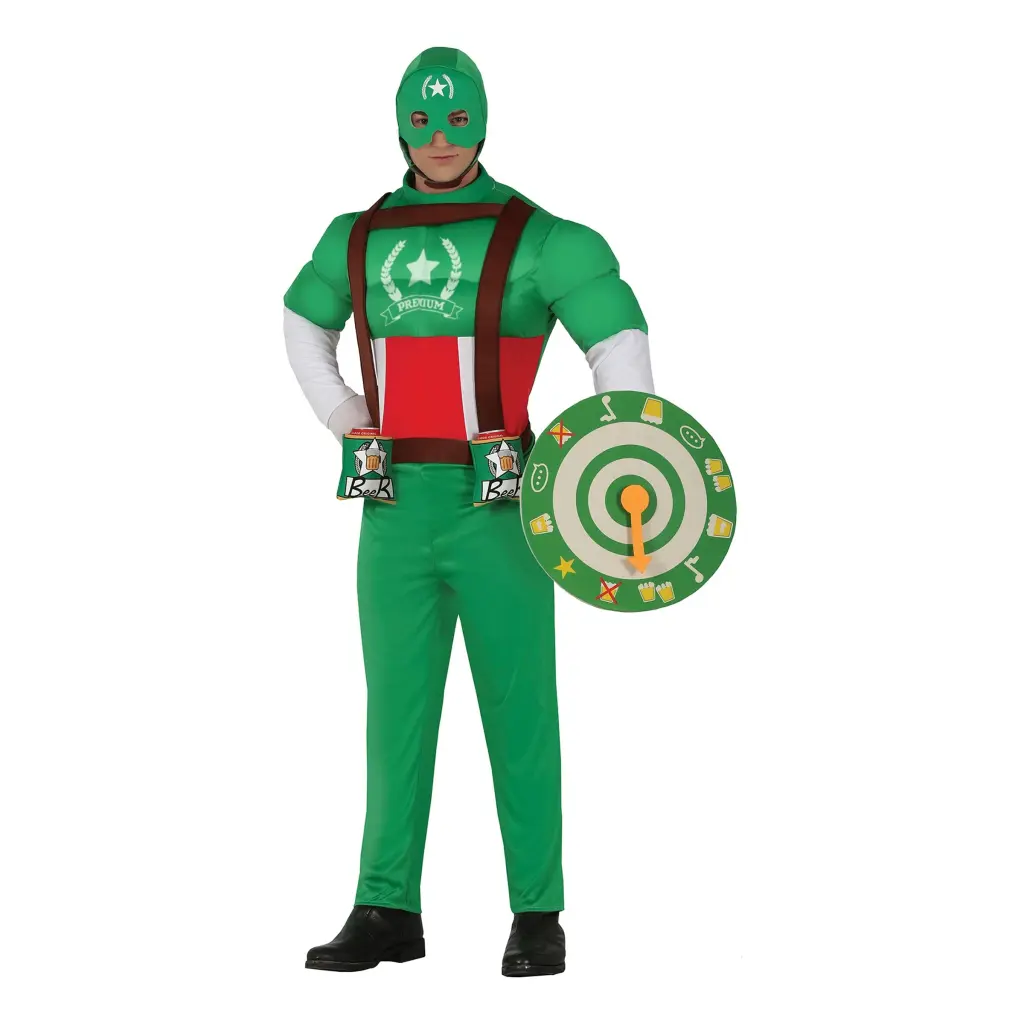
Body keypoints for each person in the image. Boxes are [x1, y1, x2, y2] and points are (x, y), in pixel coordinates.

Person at [282, 46, 655, 977]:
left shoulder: (540, 238)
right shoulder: (356, 237)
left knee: (521, 708)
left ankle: (538, 913)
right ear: (398, 125)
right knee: (394, 715)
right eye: (423, 119)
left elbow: (616, 334)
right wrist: (342, 414)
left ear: (484, 122)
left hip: (505, 509)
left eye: (458, 119)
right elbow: (301, 319)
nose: (442, 138)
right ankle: (385, 907)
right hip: (394, 508)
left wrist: (611, 457)